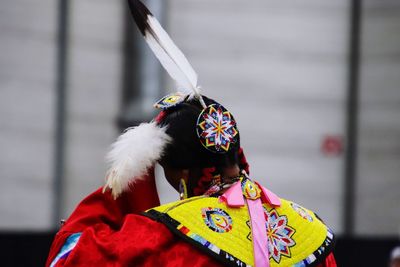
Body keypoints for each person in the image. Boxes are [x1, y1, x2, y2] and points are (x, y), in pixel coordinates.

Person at [46, 1, 337, 266]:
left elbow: (68, 257)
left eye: (164, 169)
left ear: (183, 175)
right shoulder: (309, 229)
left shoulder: (165, 238)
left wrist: (121, 191)